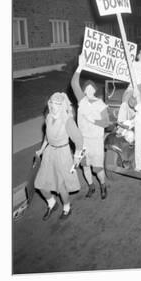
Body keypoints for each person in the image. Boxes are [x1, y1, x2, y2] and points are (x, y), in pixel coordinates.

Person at [34, 92, 84, 220]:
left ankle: (67, 207)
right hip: (49, 152)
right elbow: (47, 135)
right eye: (51, 102)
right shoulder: (49, 117)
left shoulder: (68, 121)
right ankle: (52, 203)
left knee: (61, 186)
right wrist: (41, 149)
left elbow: (78, 140)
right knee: (40, 183)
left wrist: (77, 156)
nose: (52, 106)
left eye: (56, 104)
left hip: (63, 153)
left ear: (62, 105)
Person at [71, 55, 110, 199]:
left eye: (90, 88)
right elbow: (74, 83)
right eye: (85, 88)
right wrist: (80, 66)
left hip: (95, 140)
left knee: (97, 168)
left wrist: (92, 120)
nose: (88, 91)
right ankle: (91, 186)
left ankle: (103, 185)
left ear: (94, 90)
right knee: (85, 165)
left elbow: (106, 123)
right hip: (83, 140)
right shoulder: (81, 101)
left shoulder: (100, 104)